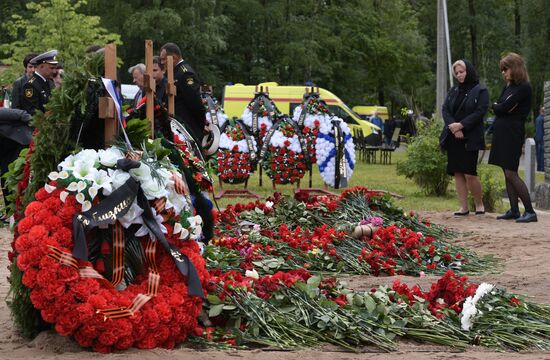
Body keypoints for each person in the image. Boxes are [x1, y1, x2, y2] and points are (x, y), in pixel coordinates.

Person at [488, 52, 537, 223]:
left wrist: (497, 106)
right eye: (502, 70)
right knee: (506, 172)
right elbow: (500, 106)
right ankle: (514, 210)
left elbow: (502, 107)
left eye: (505, 69)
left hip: (512, 133)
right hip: (503, 133)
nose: (503, 73)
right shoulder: (509, 86)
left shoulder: (524, 87)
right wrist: (498, 106)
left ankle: (530, 211)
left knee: (511, 173)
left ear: (515, 68)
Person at [441, 59, 488, 216]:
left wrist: (461, 125)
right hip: (454, 136)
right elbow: (445, 109)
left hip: (471, 136)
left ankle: (479, 205)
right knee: (457, 172)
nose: (460, 75)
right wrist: (454, 127)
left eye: (462, 71)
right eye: (457, 73)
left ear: (469, 71)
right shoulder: (453, 91)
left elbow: (480, 112)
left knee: (469, 172)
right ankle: (464, 207)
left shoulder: (480, 90)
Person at [159, 42, 206, 143]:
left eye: (164, 59)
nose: (162, 63)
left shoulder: (185, 73)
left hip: (187, 127)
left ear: (174, 57)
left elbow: (195, 103)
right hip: (179, 126)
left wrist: (199, 126)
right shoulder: (175, 72)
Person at [20, 50, 58, 115]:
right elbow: (32, 112)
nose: (54, 71)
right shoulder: (30, 85)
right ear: (41, 67)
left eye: (55, 68)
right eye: (51, 68)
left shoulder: (48, 82)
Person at [534, 106, 544, 172]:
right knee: (542, 154)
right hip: (541, 138)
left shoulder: (537, 118)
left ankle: (539, 168)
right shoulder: (542, 119)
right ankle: (542, 168)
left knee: (538, 154)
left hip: (537, 138)